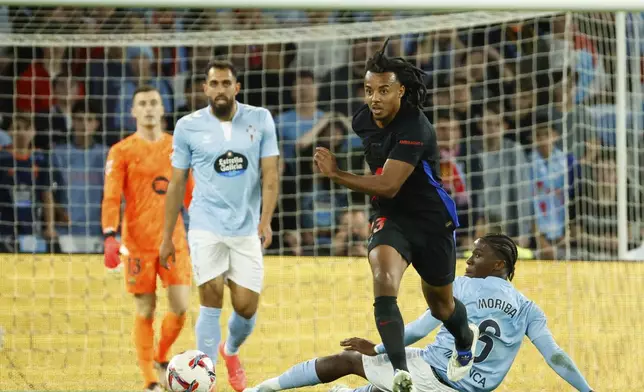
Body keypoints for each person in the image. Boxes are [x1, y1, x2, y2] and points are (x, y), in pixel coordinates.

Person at [313, 38, 475, 391]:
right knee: (384, 279)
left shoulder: (415, 127)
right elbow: (384, 190)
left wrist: (337, 174)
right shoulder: (362, 120)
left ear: (401, 90)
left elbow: (388, 184)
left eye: (384, 90)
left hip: (431, 221)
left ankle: (466, 342)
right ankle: (400, 372)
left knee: (442, 306)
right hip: (392, 219)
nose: (374, 98)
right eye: (369, 90)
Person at [243, 234, 595, 392]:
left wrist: (379, 348)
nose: (469, 260)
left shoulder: (461, 285)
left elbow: (417, 329)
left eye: (477, 255)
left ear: (499, 263)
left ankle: (260, 390)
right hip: (462, 386)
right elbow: (557, 357)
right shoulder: (528, 308)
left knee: (349, 360)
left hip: (432, 374)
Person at [159, 59, 280, 392]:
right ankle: (205, 379)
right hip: (204, 224)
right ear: (205, 88)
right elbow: (176, 182)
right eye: (214, 84)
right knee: (210, 296)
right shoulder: (187, 126)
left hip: (245, 229)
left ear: (236, 88)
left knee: (245, 305)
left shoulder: (260, 119)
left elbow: (271, 174)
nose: (220, 89)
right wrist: (167, 236)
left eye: (226, 83)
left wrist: (265, 220)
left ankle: (231, 350)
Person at [102, 85, 194, 392]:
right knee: (145, 309)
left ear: (162, 108)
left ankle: (160, 355)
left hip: (174, 239)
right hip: (138, 243)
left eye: (154, 102)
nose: (149, 108)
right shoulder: (122, 151)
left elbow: (191, 193)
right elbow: (112, 196)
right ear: (133, 111)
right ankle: (150, 381)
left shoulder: (178, 147)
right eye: (142, 103)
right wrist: (109, 235)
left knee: (180, 306)